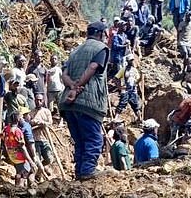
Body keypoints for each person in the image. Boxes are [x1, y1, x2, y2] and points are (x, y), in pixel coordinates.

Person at [59, 21, 110, 181]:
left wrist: (72, 86)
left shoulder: (75, 51)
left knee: (80, 140)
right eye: (106, 34)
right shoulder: (101, 49)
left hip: (68, 104)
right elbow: (92, 68)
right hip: (88, 102)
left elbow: (64, 74)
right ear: (101, 34)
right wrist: (78, 86)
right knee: (94, 139)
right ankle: (87, 171)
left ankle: (80, 172)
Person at [2, 112, 36, 187]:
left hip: (12, 155)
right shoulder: (17, 131)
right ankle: (19, 189)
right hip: (19, 156)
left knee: (19, 172)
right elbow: (22, 148)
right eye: (21, 118)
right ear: (18, 120)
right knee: (27, 173)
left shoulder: (6, 129)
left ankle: (18, 189)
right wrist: (31, 161)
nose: (22, 119)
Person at [30, 93, 54, 168]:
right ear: (34, 101)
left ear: (43, 101)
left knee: (49, 159)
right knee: (37, 159)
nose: (38, 102)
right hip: (35, 139)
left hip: (45, 139)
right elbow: (29, 122)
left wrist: (43, 123)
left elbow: (50, 123)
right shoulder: (31, 112)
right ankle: (38, 174)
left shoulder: (47, 112)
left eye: (40, 100)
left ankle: (41, 170)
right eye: (37, 100)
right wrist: (37, 122)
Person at [116, 54, 141, 119]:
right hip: (125, 90)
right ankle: (116, 118)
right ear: (127, 61)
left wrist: (139, 79)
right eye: (130, 60)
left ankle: (140, 119)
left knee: (135, 105)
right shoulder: (123, 69)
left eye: (132, 60)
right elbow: (116, 78)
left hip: (133, 90)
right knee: (122, 104)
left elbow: (137, 80)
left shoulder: (134, 70)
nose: (131, 61)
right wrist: (119, 87)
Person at [46, 53, 64, 118]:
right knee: (50, 107)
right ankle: (50, 120)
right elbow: (46, 80)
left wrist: (63, 87)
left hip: (58, 90)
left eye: (55, 59)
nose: (54, 60)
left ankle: (61, 120)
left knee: (60, 106)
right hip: (50, 90)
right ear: (50, 60)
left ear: (57, 60)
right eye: (52, 59)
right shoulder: (48, 70)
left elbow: (62, 79)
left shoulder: (59, 69)